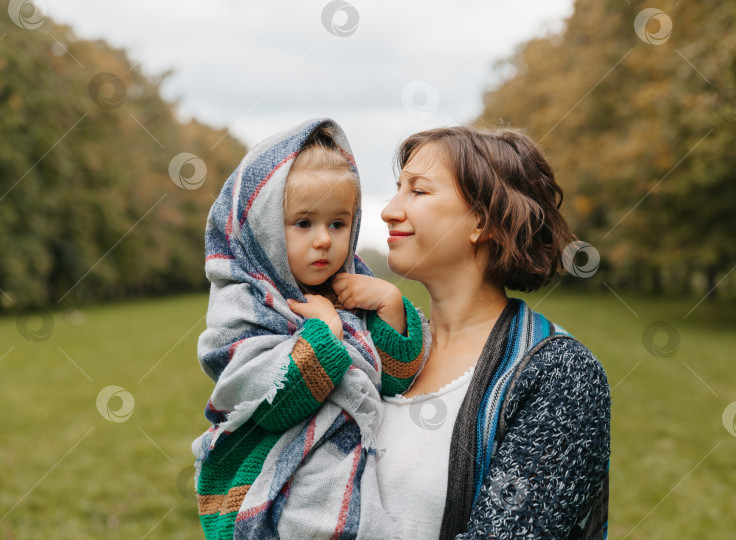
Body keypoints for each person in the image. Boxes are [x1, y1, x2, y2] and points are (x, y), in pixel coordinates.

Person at [340, 125, 611, 539]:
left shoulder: (561, 373)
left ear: (482, 221)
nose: (389, 210)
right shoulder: (378, 347)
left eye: (419, 191)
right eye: (398, 189)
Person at [191, 118, 428, 539]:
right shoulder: (247, 303)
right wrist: (324, 331)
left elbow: (395, 380)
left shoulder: (350, 287)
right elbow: (269, 398)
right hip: (281, 472)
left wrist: (389, 305)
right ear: (263, 230)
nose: (323, 240)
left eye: (337, 224)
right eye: (304, 223)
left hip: (351, 467)